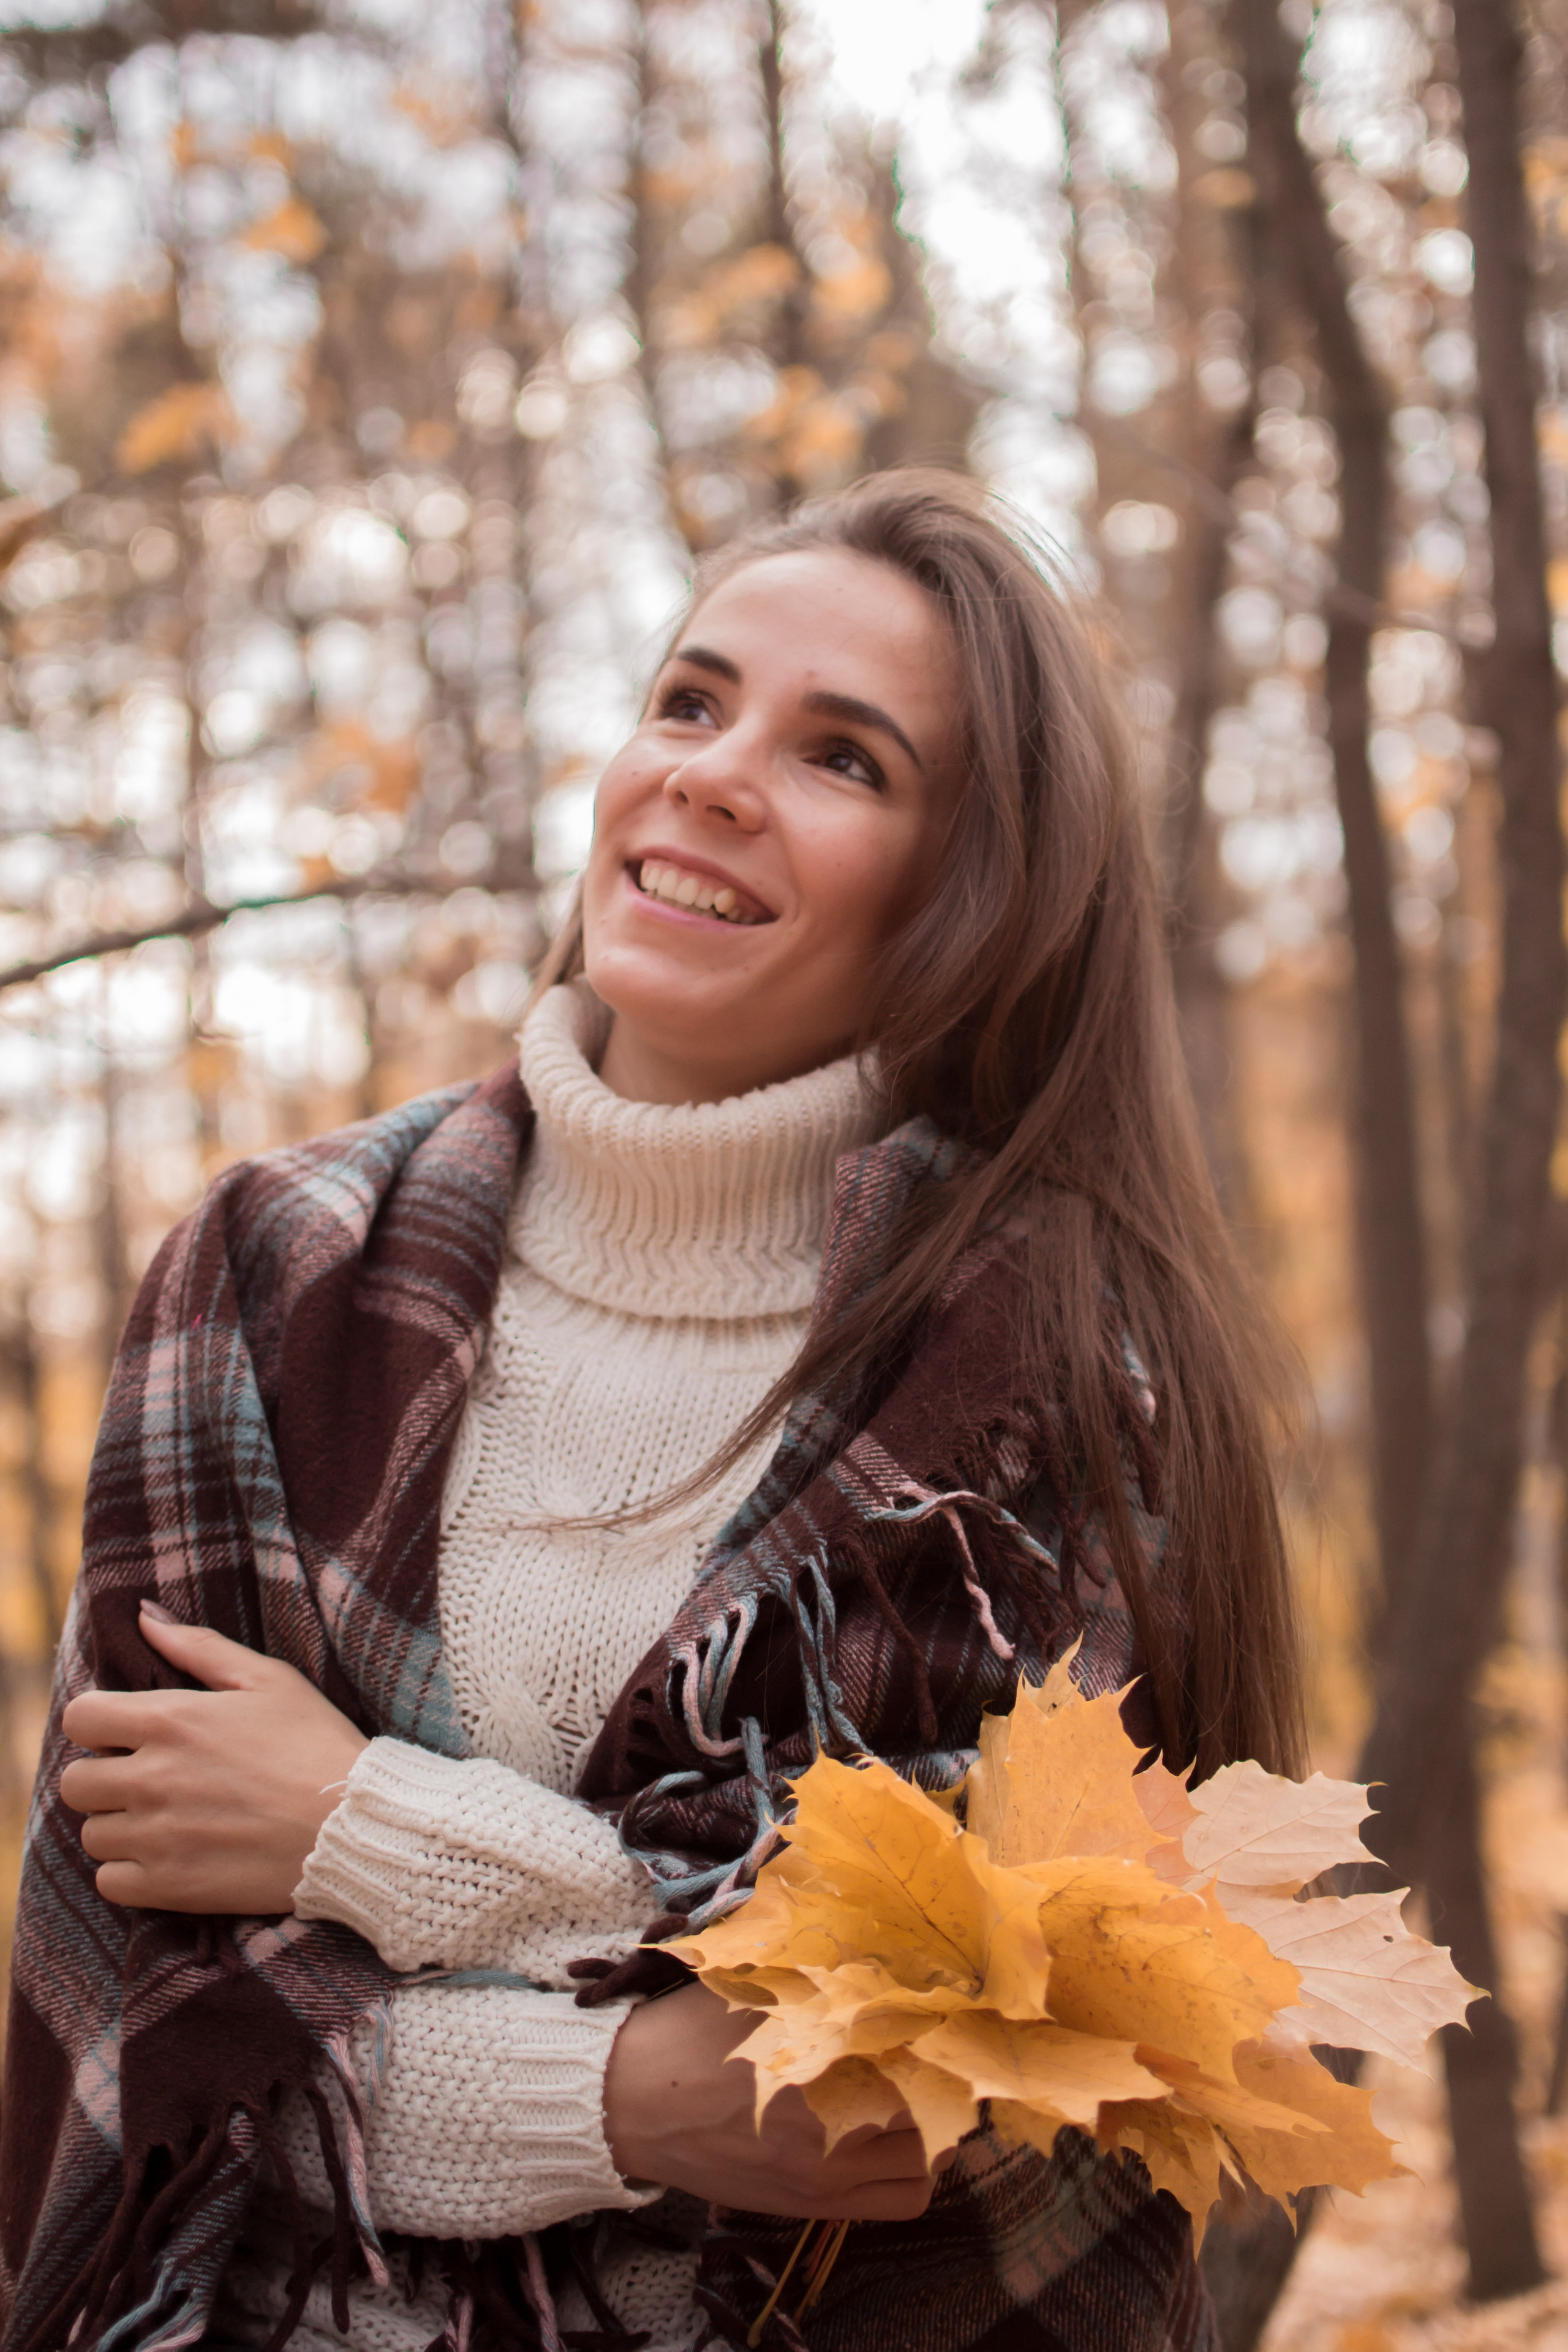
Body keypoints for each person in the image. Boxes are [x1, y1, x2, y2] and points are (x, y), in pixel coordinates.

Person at [0, 469, 1302, 2352]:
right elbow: (149, 2012)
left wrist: (371, 1830)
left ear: (973, 897)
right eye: (690, 702)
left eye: (843, 757)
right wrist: (625, 2095)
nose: (707, 772)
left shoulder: (1053, 1371)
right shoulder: (278, 1271)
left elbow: (992, 2072)